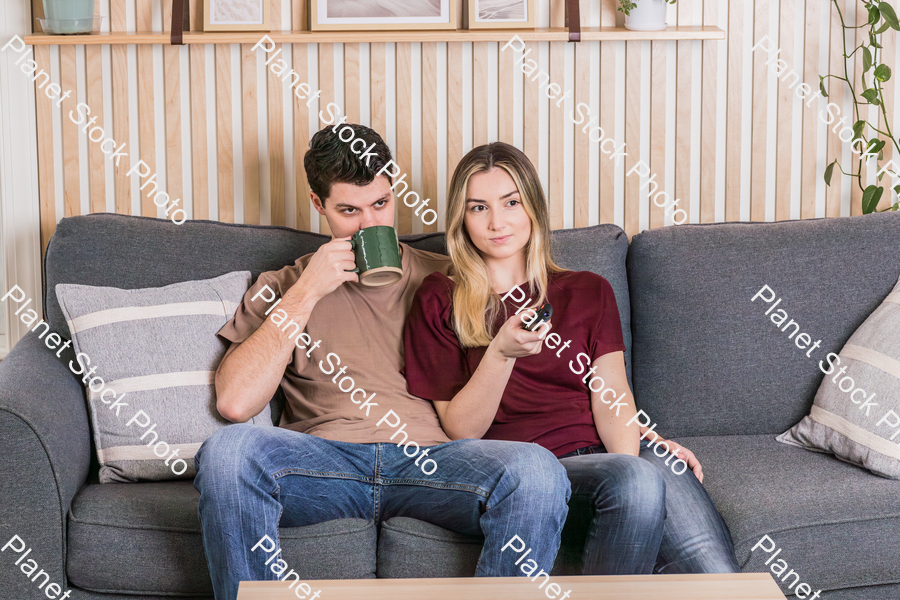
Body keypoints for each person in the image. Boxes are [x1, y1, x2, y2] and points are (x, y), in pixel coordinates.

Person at [194, 126, 571, 600]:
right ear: (318, 204)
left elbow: (535, 376)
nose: (369, 223)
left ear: (394, 187)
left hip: (433, 462)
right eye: (349, 211)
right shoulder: (284, 285)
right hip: (324, 463)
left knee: (537, 470)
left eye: (380, 204)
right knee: (227, 453)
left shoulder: (452, 278)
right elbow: (234, 402)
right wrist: (307, 292)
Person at [403, 141, 740, 575]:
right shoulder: (438, 297)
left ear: (533, 209)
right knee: (637, 482)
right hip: (524, 472)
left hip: (601, 455)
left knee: (718, 576)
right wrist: (500, 355)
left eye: (511, 202)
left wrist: (631, 457)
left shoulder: (587, 290)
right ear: (461, 219)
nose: (497, 222)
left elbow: (612, 396)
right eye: (478, 208)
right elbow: (461, 428)